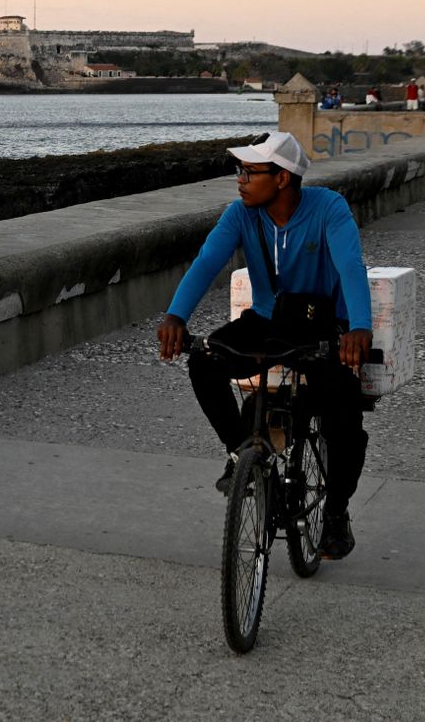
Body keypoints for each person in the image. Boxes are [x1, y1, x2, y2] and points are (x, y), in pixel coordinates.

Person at [156, 132, 372, 560]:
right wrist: (176, 316)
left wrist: (359, 328)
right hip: (267, 319)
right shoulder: (241, 214)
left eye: (250, 172)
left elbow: (351, 264)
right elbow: (207, 261)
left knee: (343, 413)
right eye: (241, 171)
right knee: (204, 362)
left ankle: (335, 513)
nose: (240, 180)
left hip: (322, 325)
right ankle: (245, 458)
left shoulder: (329, 208)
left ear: (282, 179)